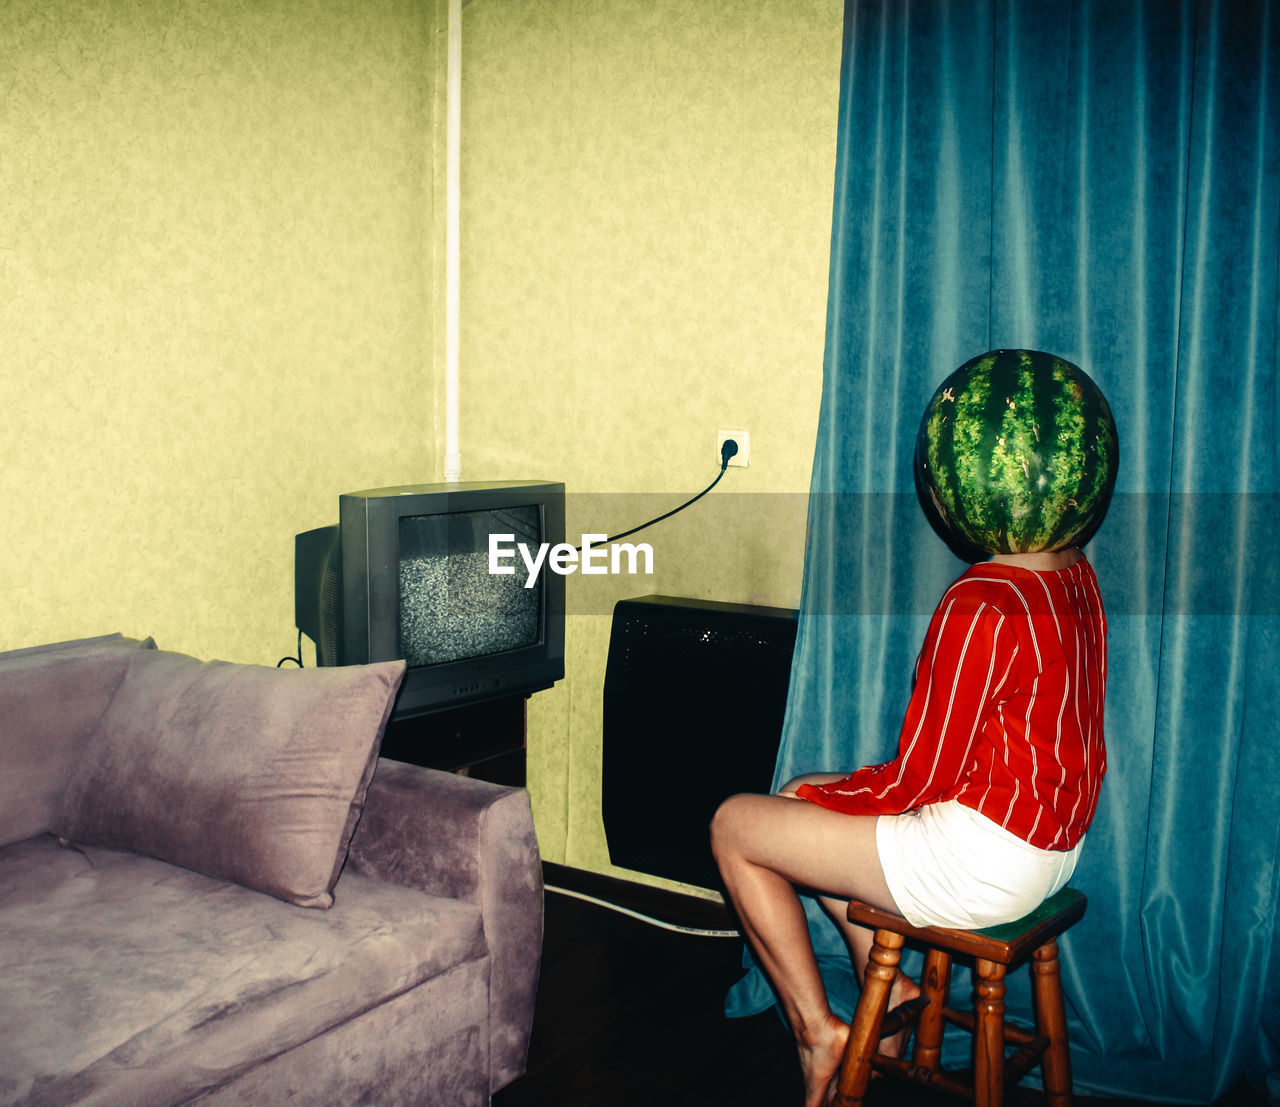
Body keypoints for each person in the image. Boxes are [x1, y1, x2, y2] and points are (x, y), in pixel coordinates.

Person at [710, 541, 1109, 1107]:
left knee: (733, 826)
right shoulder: (1074, 570)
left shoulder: (984, 596)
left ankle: (816, 1033)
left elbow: (917, 782)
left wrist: (837, 799)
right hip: (1051, 845)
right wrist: (821, 797)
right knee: (799, 792)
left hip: (983, 862)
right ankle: (892, 989)